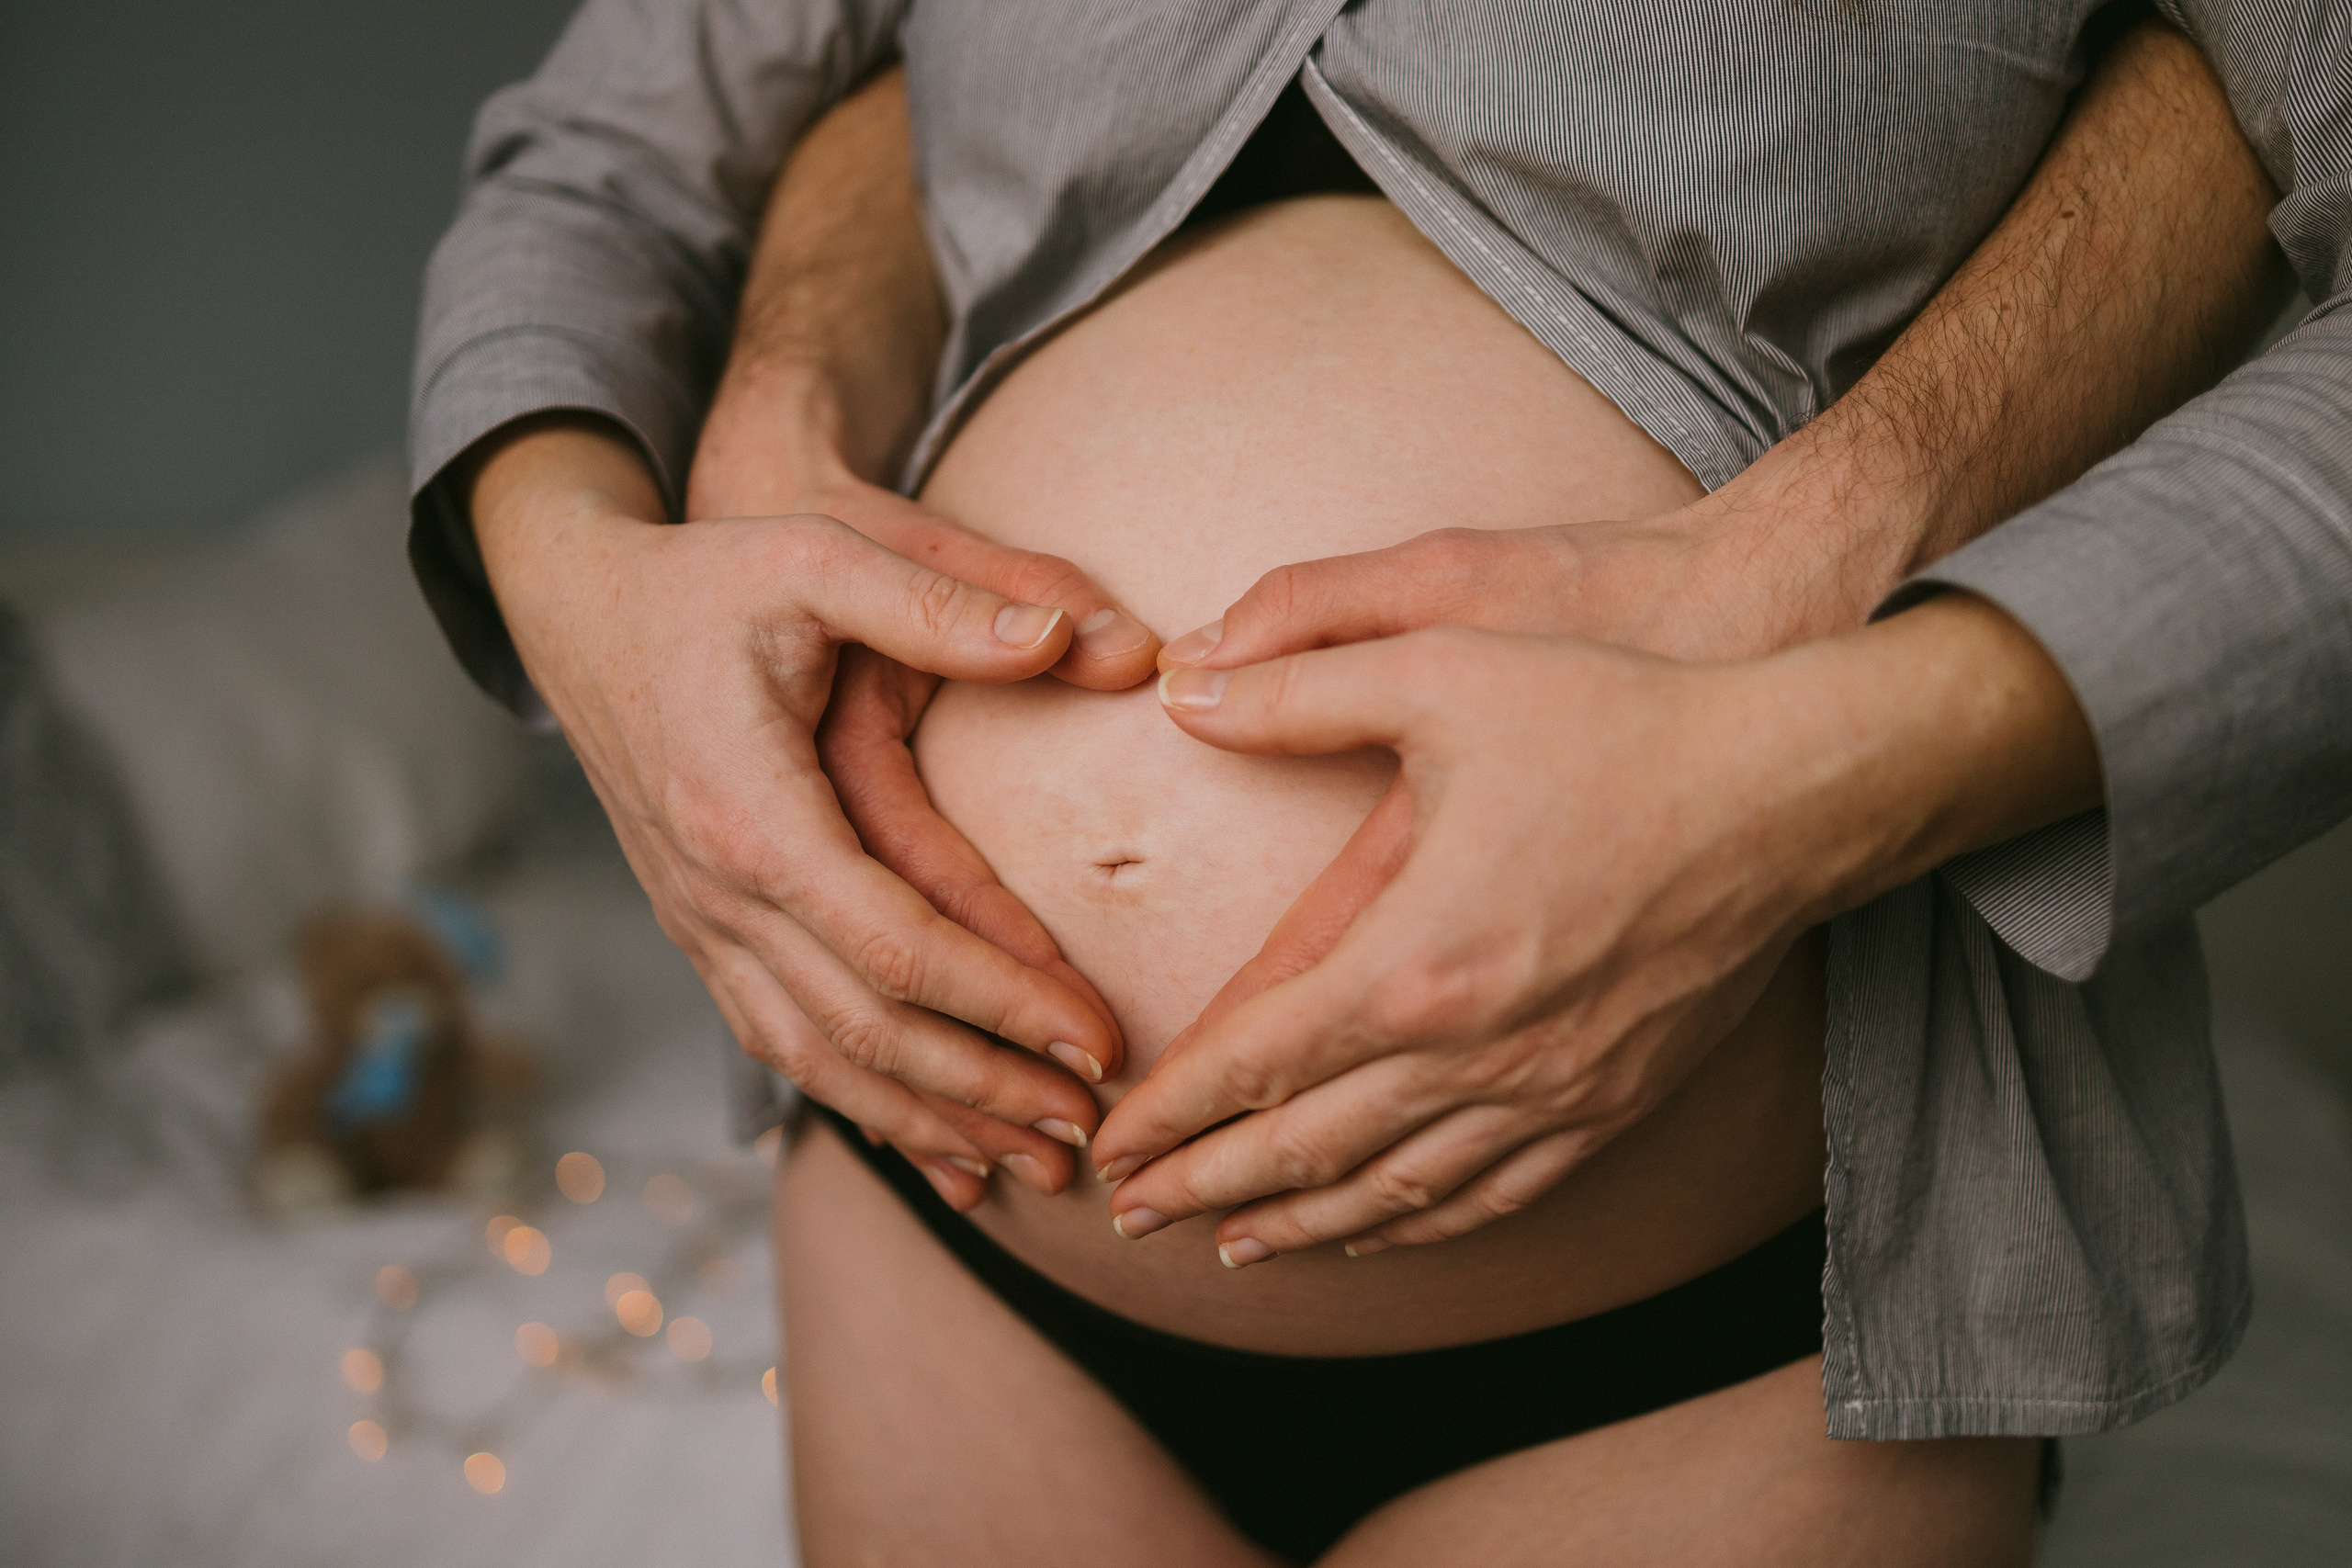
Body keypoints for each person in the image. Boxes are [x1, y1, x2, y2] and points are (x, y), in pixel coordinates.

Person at [414, 2, 2348, 1560]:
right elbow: (601, 170)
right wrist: (583, 586)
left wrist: (1794, 771)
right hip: (946, 1238)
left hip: (1726, 1340)